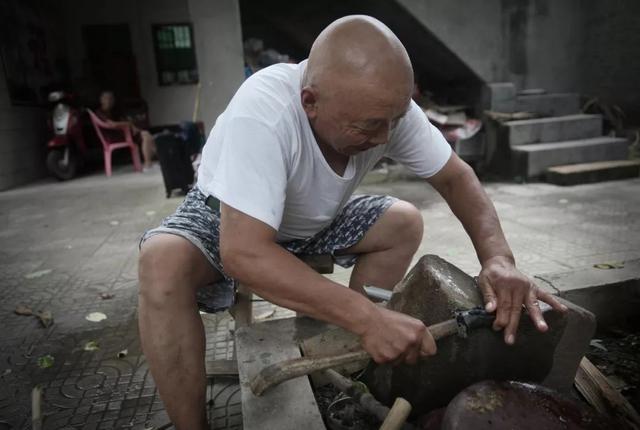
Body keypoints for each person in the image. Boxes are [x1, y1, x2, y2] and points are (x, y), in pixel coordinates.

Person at [138, 16, 567, 428]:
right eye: (369, 127)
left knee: (402, 222)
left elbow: (456, 178)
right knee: (161, 264)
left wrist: (499, 258)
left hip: (310, 222)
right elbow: (243, 252)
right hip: (225, 220)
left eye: (392, 122)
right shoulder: (263, 109)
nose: (384, 139)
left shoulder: (384, 108)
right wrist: (366, 316)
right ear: (310, 102)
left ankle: (357, 356)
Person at [96, 90, 156, 170]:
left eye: (112, 99)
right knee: (145, 135)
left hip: (124, 133)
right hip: (114, 137)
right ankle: (148, 164)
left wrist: (132, 126)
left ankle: (151, 162)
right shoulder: (100, 112)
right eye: (107, 98)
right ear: (101, 100)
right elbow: (112, 124)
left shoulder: (114, 111)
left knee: (148, 136)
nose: (110, 101)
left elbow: (122, 121)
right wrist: (129, 124)